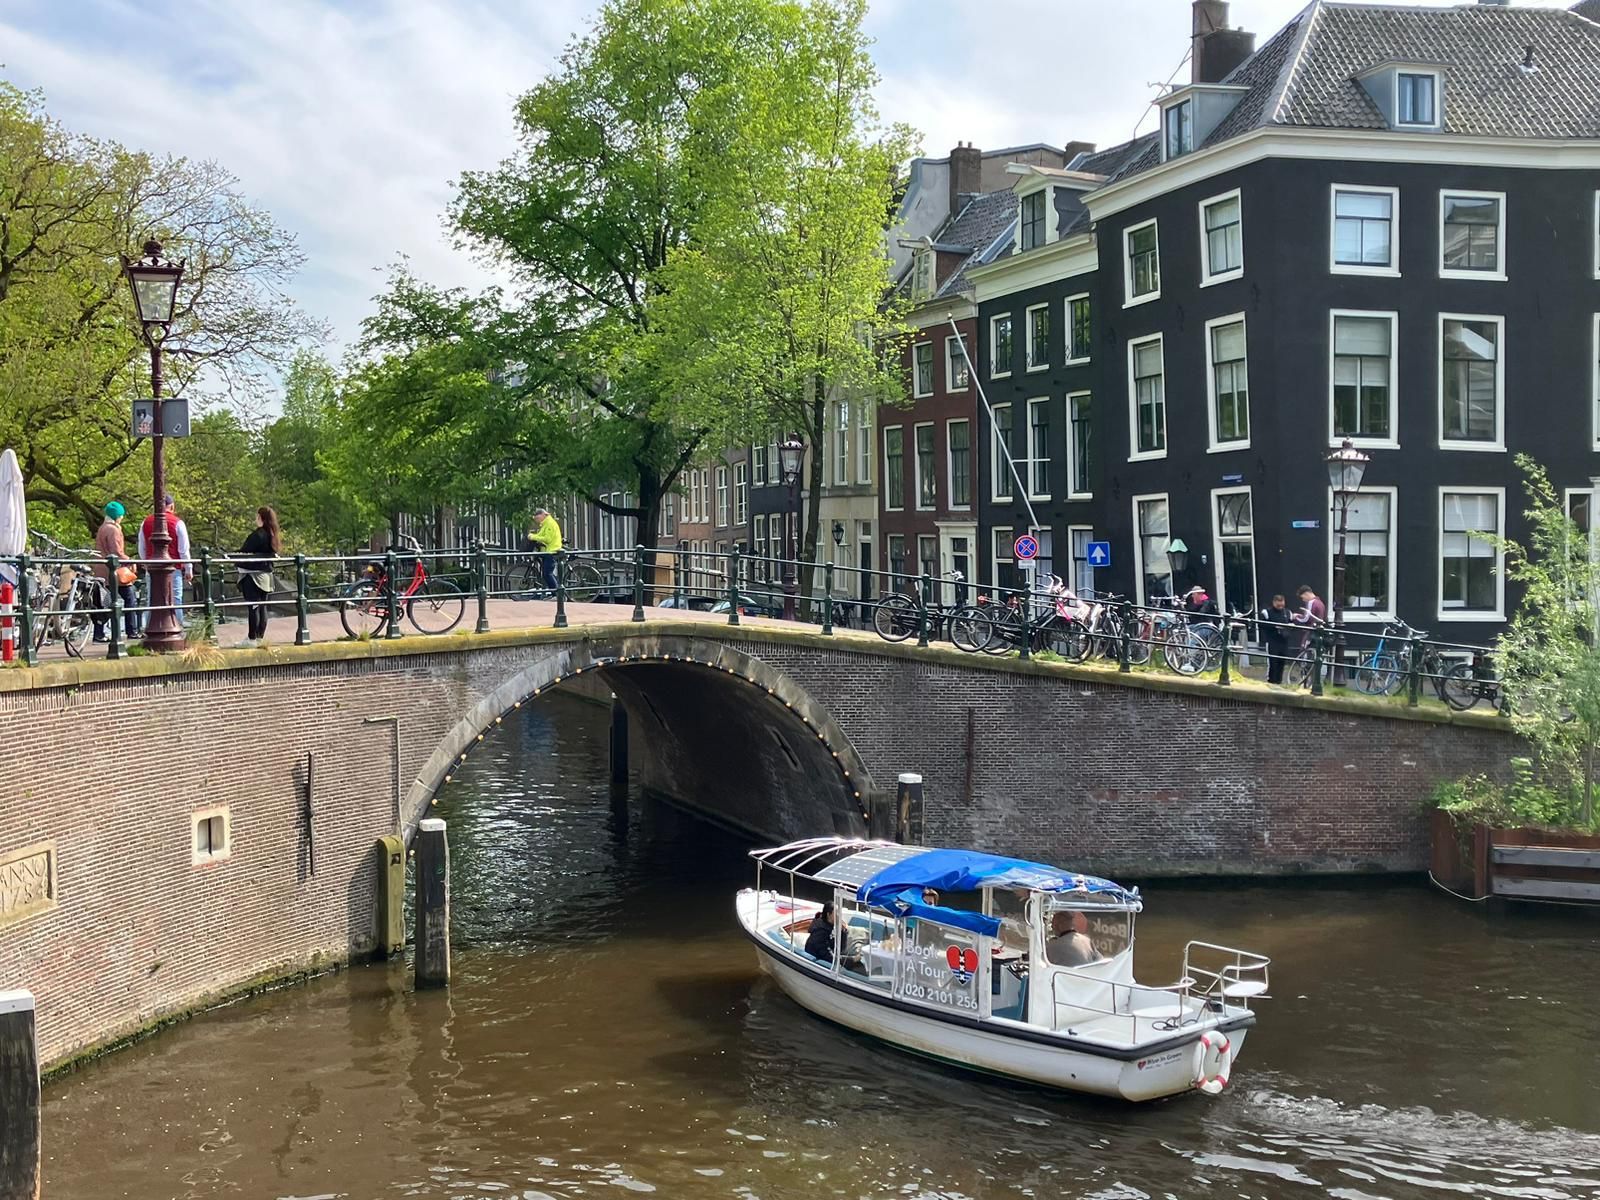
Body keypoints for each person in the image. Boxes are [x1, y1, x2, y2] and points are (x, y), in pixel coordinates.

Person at [139, 493, 192, 624]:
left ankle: (149, 628)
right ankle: (177, 626)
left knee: (152, 599)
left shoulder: (145, 522)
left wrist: (145, 562)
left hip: (152, 567)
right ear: (172, 506)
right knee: (175, 599)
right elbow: (183, 550)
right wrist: (188, 569)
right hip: (173, 567)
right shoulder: (178, 523)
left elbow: (142, 547)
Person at [92, 501, 140, 642]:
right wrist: (130, 561)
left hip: (101, 571)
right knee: (130, 598)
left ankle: (98, 634)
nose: (122, 518)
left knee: (102, 603)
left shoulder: (102, 528)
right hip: (113, 572)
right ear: (117, 516)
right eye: (121, 515)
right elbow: (116, 552)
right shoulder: (113, 530)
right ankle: (132, 631)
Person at [236, 506, 280, 647]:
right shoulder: (273, 535)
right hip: (266, 576)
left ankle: (251, 638)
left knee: (253, 606)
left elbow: (244, 551)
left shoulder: (258, 535)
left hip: (253, 576)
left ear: (261, 517)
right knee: (262, 607)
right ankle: (260, 637)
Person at [1260, 593, 1292, 685]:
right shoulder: (1267, 612)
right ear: (1274, 602)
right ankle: (1271, 681)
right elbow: (1261, 624)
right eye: (1278, 604)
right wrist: (1275, 626)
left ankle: (1279, 681)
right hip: (1272, 641)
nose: (1280, 606)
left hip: (1284, 641)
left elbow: (1291, 624)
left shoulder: (1288, 612)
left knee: (1282, 663)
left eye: (1282, 604)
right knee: (1272, 663)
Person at [527, 507, 563, 589]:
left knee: (547, 574)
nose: (537, 521)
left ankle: (556, 593)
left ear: (543, 515)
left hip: (551, 551)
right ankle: (552, 590)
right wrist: (533, 536)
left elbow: (547, 539)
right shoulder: (545, 524)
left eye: (537, 518)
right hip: (546, 551)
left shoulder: (550, 524)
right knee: (546, 573)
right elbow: (540, 535)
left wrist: (533, 537)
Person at [1292, 584, 1326, 652]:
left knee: (1305, 651)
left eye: (1302, 597)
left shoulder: (1311, 602)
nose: (1303, 600)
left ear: (1306, 594)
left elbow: (1306, 619)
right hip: (1319, 632)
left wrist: (1296, 616)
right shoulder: (1321, 603)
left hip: (1311, 632)